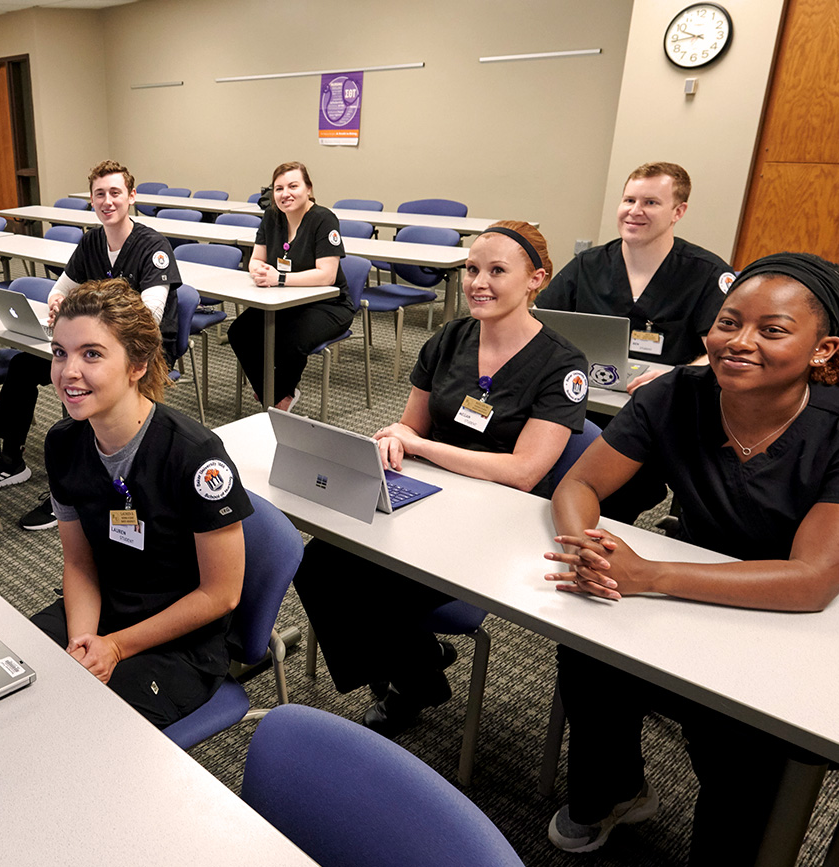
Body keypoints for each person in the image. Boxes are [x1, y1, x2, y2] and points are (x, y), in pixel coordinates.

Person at [542, 252, 839, 863]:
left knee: (738, 745)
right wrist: (586, 550)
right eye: (728, 323)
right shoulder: (679, 393)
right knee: (589, 653)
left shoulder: (833, 431)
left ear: (823, 351)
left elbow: (812, 581)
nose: (739, 342)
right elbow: (580, 486)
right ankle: (615, 792)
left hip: (791, 618)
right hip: (686, 584)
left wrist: (647, 575)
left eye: (773, 330)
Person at [294, 222, 589, 736]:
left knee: (375, 589)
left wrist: (422, 446)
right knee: (320, 561)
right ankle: (419, 666)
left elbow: (524, 473)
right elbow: (413, 423)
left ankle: (410, 681)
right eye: (473, 269)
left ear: (535, 279)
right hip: (431, 497)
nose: (479, 282)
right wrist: (396, 437)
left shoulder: (562, 364)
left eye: (498, 271)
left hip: (498, 520)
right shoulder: (450, 337)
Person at [29, 278, 251, 729]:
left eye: (91, 354)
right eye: (60, 352)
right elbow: (80, 563)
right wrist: (84, 641)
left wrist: (116, 647)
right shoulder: (63, 443)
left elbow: (221, 594)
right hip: (105, 607)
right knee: (15, 677)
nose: (68, 371)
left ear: (136, 365)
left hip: (180, 640)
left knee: (90, 728)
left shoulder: (194, 455)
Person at [0, 159, 181, 533]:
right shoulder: (92, 241)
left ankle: (72, 487)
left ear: (132, 196)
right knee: (23, 366)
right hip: (91, 345)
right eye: (99, 195)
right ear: (91, 200)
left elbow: (151, 316)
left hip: (143, 350)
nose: (107, 201)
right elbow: (61, 287)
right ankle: (12, 458)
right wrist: (56, 304)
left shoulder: (151, 246)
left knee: (78, 383)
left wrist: (97, 338)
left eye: (115, 193)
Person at [536, 161, 735, 524]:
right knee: (536, 471)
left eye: (650, 203)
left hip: (656, 411)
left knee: (614, 496)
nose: (635, 211)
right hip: (581, 397)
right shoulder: (589, 265)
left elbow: (721, 352)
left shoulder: (705, 273)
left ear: (679, 212)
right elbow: (539, 325)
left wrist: (676, 376)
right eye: (629, 199)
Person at [228, 161, 355, 411]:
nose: (285, 194)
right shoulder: (271, 217)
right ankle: (274, 393)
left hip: (328, 304)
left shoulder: (323, 219)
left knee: (290, 337)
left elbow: (327, 276)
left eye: (293, 186)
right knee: (240, 332)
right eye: (278, 188)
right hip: (284, 300)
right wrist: (258, 270)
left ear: (308, 188)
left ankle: (280, 398)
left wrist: (280, 279)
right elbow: (256, 259)